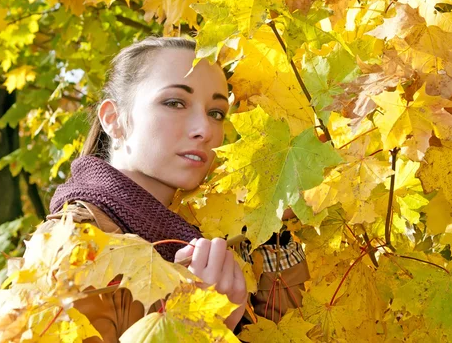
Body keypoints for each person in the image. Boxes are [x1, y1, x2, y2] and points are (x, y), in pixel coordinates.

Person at [47, 37, 310, 342]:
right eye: (174, 103)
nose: (205, 129)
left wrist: (272, 233)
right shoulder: (76, 249)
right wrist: (200, 327)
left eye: (216, 112)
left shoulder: (222, 237)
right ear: (113, 119)